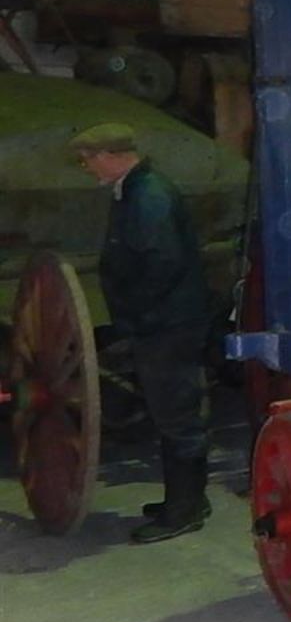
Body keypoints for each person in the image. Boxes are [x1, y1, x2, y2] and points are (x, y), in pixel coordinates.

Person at [68, 122, 212, 543]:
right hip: (163, 321)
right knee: (173, 413)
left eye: (87, 160)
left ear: (108, 156)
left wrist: (137, 323)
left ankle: (184, 512)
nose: (87, 168)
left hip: (166, 325)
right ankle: (187, 500)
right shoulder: (135, 189)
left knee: (177, 417)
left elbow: (162, 265)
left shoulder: (148, 196)